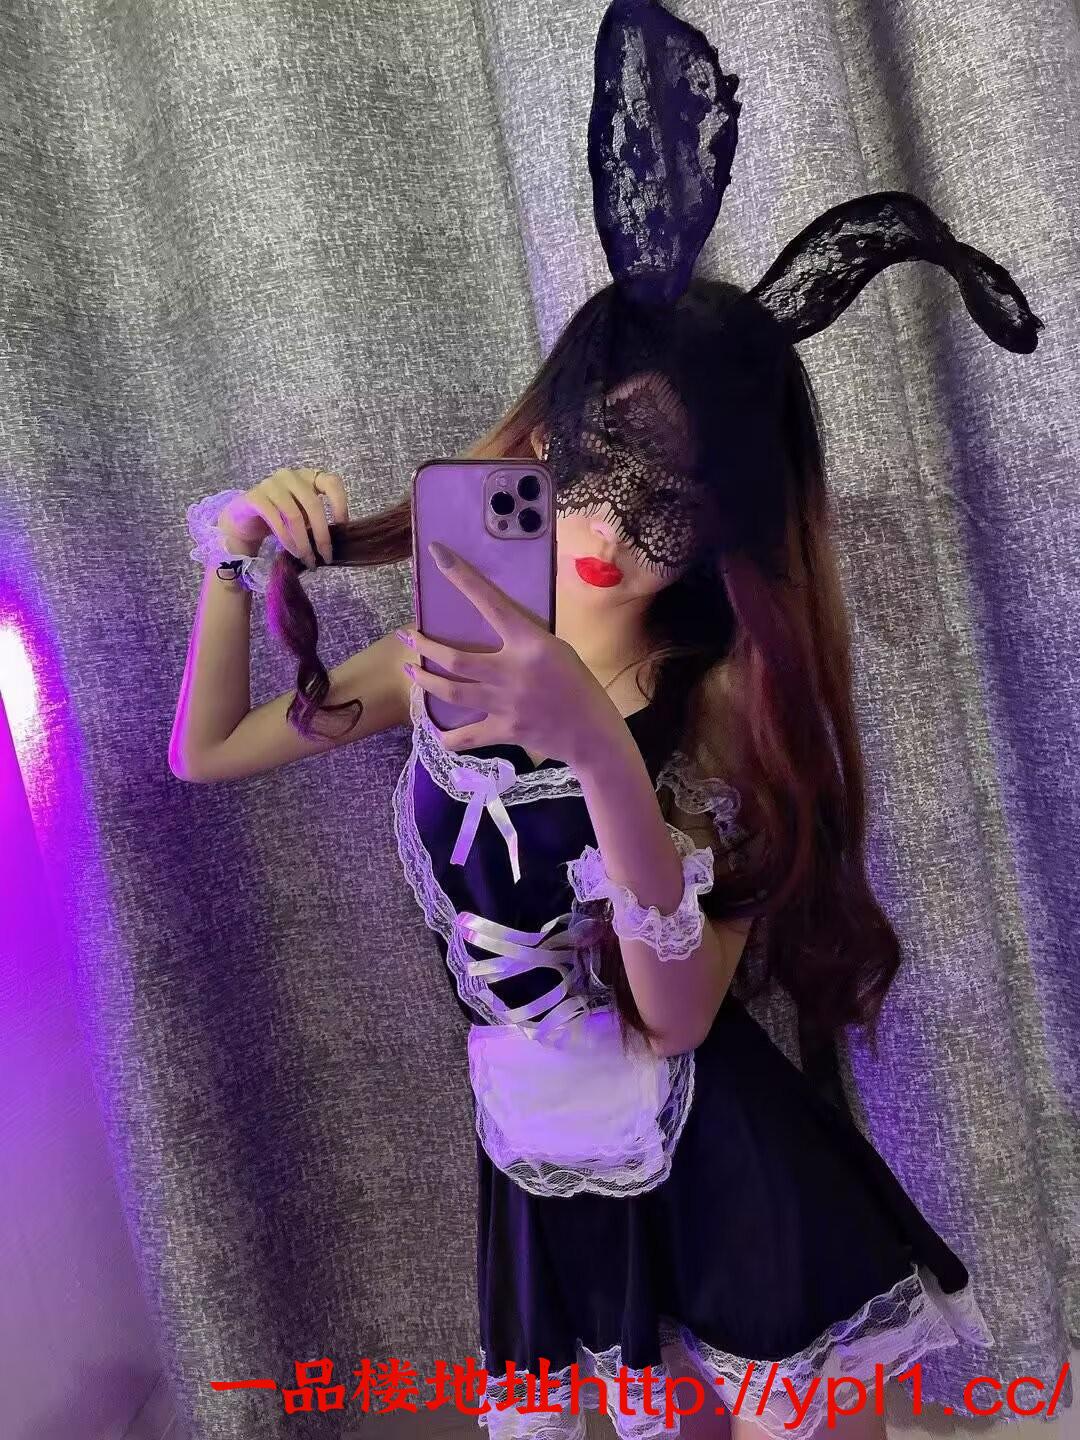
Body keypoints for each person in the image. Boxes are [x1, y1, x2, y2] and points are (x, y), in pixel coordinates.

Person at [172, 5, 1045, 1437]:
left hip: (717, 1159)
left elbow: (680, 1011)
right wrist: (233, 555)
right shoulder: (443, 656)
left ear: (729, 526)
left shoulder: (715, 703)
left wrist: (590, 743)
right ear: (547, 434)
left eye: (674, 502)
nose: (616, 528)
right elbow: (207, 751)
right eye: (600, 458)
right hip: (533, 1147)